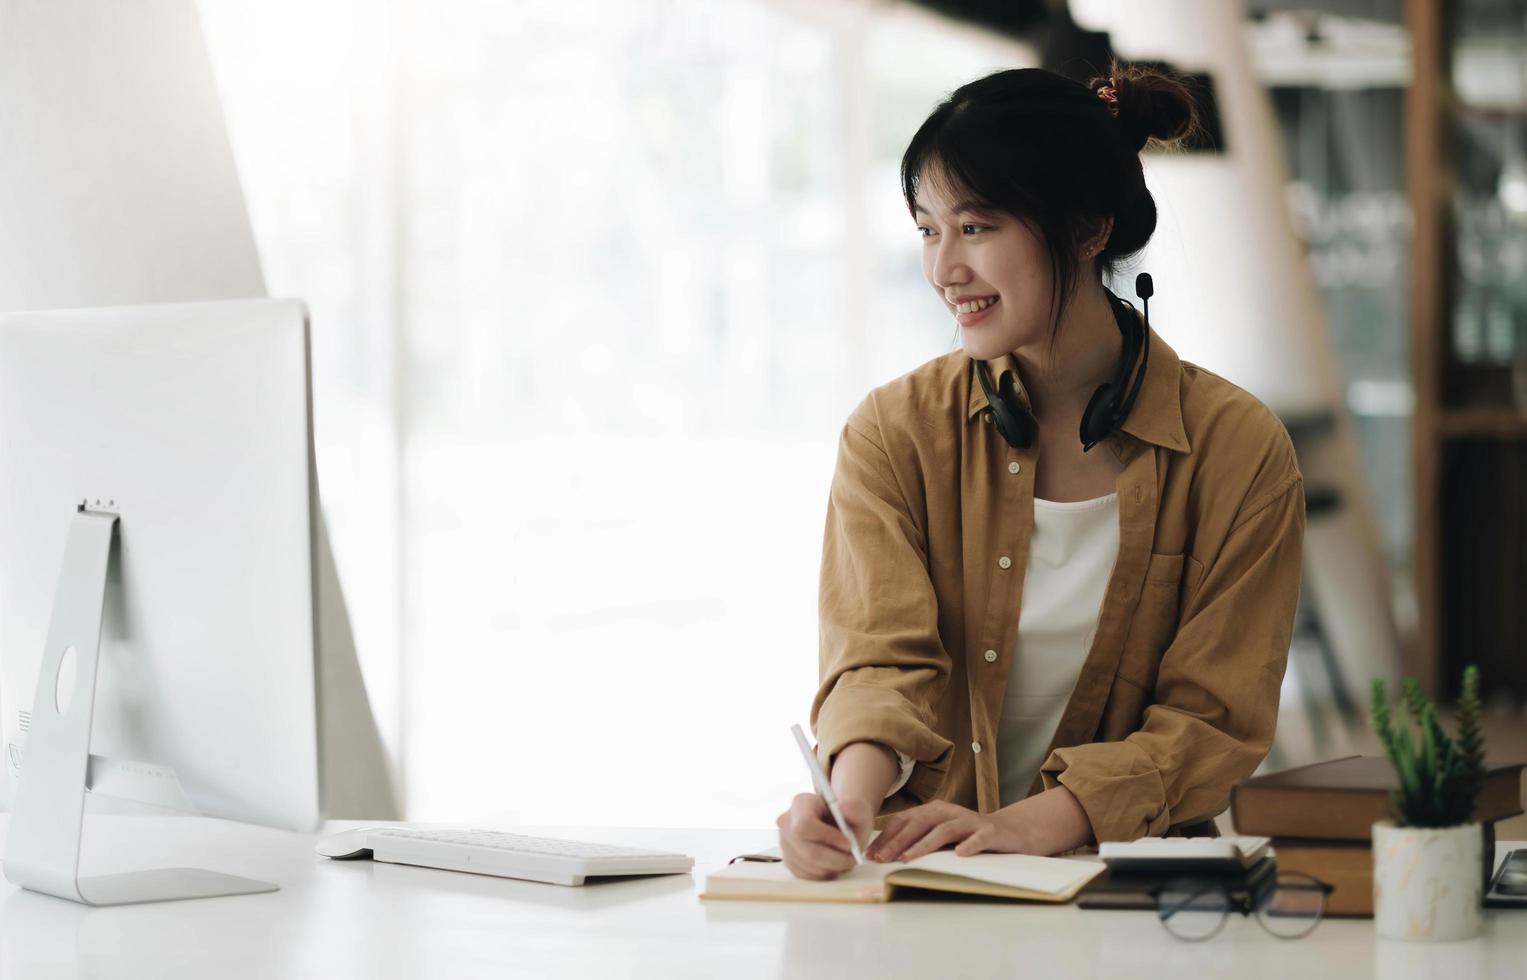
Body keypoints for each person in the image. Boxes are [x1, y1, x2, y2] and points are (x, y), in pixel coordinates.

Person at [776, 63, 1306, 880]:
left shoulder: (1236, 449)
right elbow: (879, 661)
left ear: (1087, 228)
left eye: (977, 227)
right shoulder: (895, 432)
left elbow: (1212, 720)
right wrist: (848, 796)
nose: (943, 268)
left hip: (1131, 895)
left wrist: (1036, 827)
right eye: (927, 229)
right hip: (926, 880)